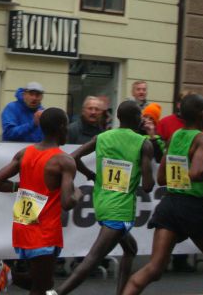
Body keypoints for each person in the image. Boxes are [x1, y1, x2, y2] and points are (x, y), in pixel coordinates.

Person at [122, 94, 203, 295]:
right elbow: (197, 172)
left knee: (154, 268)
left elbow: (162, 179)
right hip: (195, 208)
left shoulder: (175, 137)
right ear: (202, 114)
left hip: (170, 205)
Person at [48, 101, 155, 295]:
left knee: (131, 249)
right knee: (93, 259)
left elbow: (72, 157)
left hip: (102, 204)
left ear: (118, 118)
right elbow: (148, 186)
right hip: (120, 210)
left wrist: (91, 175)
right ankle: (57, 293)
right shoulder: (143, 143)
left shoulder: (102, 137)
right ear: (138, 120)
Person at [0, 108, 81, 295]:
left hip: (23, 223)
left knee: (44, 282)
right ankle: (4, 273)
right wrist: (78, 193)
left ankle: (6, 275)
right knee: (42, 286)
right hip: (44, 230)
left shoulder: (24, 153)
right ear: (62, 127)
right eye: (67, 125)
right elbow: (67, 202)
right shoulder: (64, 161)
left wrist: (20, 187)